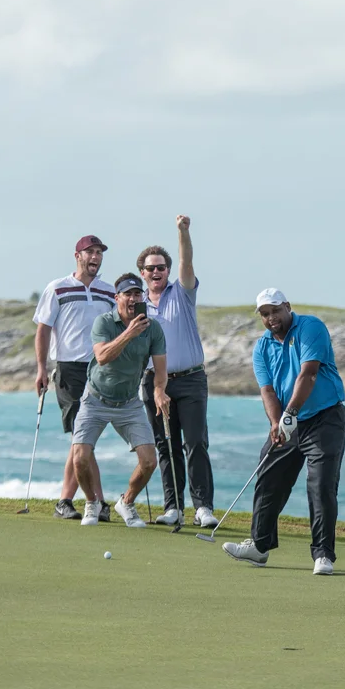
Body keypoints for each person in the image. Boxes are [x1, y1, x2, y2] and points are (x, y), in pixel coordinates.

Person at [223, 289, 345, 576]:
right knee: (268, 479)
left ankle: (323, 555)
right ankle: (260, 545)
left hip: (325, 418)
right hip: (289, 421)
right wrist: (276, 423)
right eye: (264, 314)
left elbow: (309, 373)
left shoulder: (310, 327)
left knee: (321, 485)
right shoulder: (262, 347)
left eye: (275, 311)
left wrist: (288, 414)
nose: (271, 318)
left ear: (288, 307)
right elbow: (267, 390)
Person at [69, 273, 171, 528]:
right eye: (128, 294)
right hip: (95, 399)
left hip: (128, 403)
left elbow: (160, 371)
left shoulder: (153, 328)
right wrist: (129, 332)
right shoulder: (103, 322)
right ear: (117, 298)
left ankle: (126, 502)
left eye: (138, 294)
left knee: (149, 461)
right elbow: (102, 357)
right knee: (79, 457)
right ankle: (92, 502)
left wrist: (159, 391)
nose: (134, 299)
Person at [137, 215, 218, 528]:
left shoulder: (182, 292)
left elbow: (187, 259)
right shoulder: (138, 304)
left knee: (196, 442)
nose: (156, 272)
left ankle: (203, 508)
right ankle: (173, 507)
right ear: (142, 273)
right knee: (165, 445)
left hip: (191, 379)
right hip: (154, 383)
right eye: (150, 268)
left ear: (167, 271)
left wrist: (183, 231)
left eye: (161, 267)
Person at [33, 235, 116, 522]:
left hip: (100, 370)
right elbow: (43, 329)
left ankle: (70, 501)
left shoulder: (109, 291)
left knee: (85, 438)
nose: (95, 257)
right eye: (90, 252)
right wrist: (42, 369)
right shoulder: (57, 288)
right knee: (82, 436)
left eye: (99, 253)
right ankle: (94, 501)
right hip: (68, 370)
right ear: (77, 256)